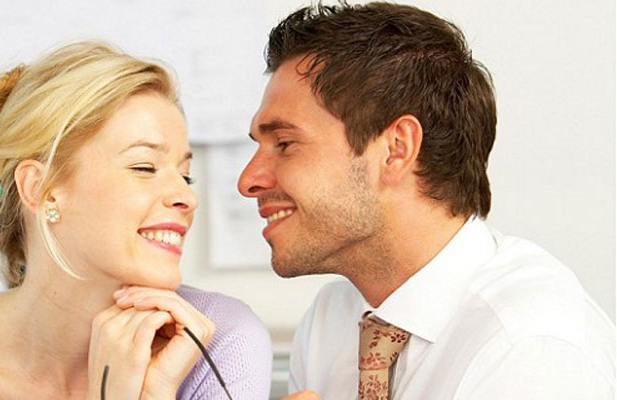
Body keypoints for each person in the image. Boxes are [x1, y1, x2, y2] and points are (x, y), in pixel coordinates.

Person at [238, 2, 614, 399]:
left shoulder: (529, 348)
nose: (247, 181)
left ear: (396, 149)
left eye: (285, 143)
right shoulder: (331, 320)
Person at [0, 41, 272, 399]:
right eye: (144, 167)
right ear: (41, 189)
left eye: (185, 175)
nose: (187, 197)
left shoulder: (220, 340)